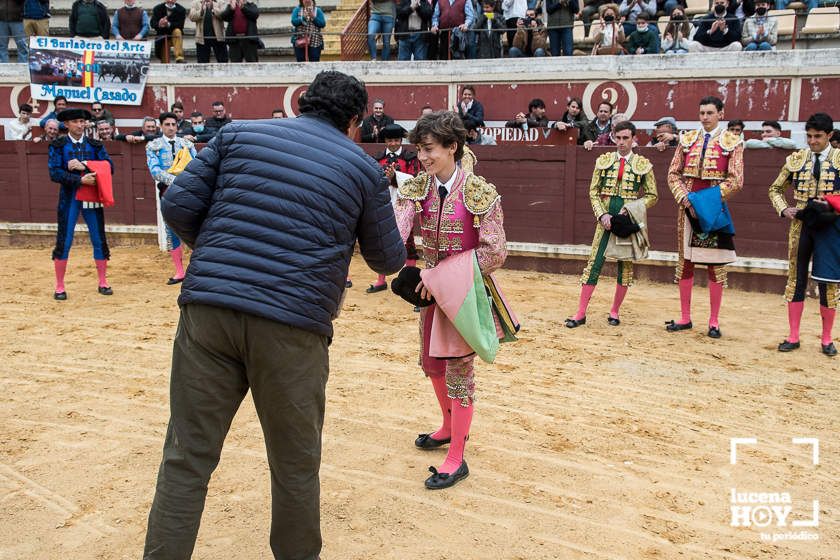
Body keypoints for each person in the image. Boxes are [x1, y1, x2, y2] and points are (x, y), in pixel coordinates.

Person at [142, 70, 405, 560]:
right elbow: (387, 261)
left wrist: (220, 255)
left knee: (186, 459)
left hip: (209, 313)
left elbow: (176, 205)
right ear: (355, 121)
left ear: (302, 102)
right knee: (294, 465)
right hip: (293, 325)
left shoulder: (239, 133)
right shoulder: (363, 169)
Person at [393, 111, 509, 489]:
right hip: (431, 295)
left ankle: (456, 457)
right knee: (431, 364)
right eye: (419, 149)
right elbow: (394, 233)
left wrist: (439, 277)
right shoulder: (416, 190)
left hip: (465, 296)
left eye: (429, 150)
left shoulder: (480, 193)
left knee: (460, 375)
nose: (422, 158)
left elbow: (495, 253)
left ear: (452, 147)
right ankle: (447, 426)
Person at [566, 121, 658, 328]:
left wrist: (632, 208)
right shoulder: (604, 161)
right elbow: (593, 191)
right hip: (606, 220)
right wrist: (602, 215)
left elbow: (652, 196)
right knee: (594, 263)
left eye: (626, 138)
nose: (622, 142)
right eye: (618, 138)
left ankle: (615, 311)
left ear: (634, 139)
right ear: (613, 137)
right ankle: (580, 313)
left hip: (626, 221)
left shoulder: (643, 164)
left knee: (624, 266)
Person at [666, 95, 744, 338]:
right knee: (686, 261)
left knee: (715, 264)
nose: (705, 117)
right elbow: (672, 173)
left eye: (710, 113)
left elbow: (736, 180)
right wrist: (685, 198)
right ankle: (685, 317)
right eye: (702, 113)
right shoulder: (687, 139)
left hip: (713, 209)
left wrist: (705, 201)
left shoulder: (733, 141)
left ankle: (713, 321)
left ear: (721, 113)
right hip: (687, 208)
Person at [768, 112, 839, 357]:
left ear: (829, 135)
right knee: (796, 278)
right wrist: (784, 208)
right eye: (809, 136)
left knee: (828, 283)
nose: (812, 141)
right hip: (800, 226)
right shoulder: (797, 159)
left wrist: (831, 203)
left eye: (817, 137)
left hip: (830, 228)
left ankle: (827, 338)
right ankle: (793, 335)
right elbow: (775, 189)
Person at [48, 108, 114, 300]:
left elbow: (110, 166)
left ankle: (103, 282)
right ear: (66, 124)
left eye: (82, 121)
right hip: (70, 198)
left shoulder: (95, 144)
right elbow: (54, 173)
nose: (80, 125)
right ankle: (59, 286)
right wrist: (80, 180)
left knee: (98, 238)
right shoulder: (58, 145)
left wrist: (84, 166)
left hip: (92, 197)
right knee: (64, 239)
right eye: (76, 121)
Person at [367, 123, 421, 293]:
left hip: (403, 204)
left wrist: (394, 177)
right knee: (381, 240)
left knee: (408, 241)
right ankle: (381, 280)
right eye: (389, 140)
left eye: (396, 140)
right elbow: (373, 179)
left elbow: (414, 180)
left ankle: (409, 282)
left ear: (401, 140)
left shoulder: (410, 158)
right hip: (384, 202)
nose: (393, 143)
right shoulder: (378, 158)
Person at [146, 112, 197, 285]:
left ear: (177, 126)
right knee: (171, 228)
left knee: (193, 225)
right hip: (168, 191)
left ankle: (195, 268)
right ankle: (179, 271)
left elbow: (197, 165)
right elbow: (154, 171)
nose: (170, 127)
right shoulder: (154, 146)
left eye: (173, 124)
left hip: (189, 190)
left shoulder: (187, 144)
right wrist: (175, 180)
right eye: (167, 124)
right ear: (161, 126)